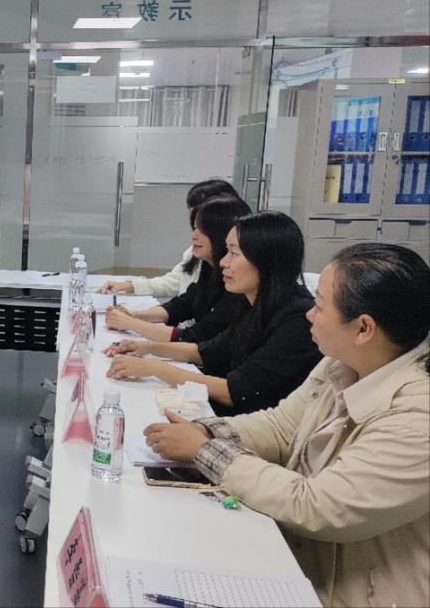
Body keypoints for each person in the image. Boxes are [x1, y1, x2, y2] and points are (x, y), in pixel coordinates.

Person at [143, 243, 429, 608]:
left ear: (363, 328)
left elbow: (319, 507)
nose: (310, 314)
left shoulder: (417, 419)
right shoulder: (341, 362)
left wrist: (206, 451)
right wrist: (208, 431)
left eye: (321, 306)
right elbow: (282, 426)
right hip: (301, 565)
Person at [105, 211, 322, 415]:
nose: (223, 262)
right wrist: (148, 347)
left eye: (234, 253)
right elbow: (208, 351)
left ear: (267, 261)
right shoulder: (253, 301)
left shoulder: (298, 320)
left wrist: (153, 367)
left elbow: (237, 392)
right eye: (227, 251)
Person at [105, 195, 250, 343]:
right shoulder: (209, 267)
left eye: (203, 230)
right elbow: (183, 305)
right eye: (195, 228)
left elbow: (200, 336)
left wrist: (131, 323)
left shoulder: (239, 284)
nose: (194, 236)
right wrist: (134, 316)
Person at [99, 179, 240, 296]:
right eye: (194, 219)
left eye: (203, 222)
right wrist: (131, 286)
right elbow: (175, 284)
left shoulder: (232, 266)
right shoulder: (197, 252)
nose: (194, 232)